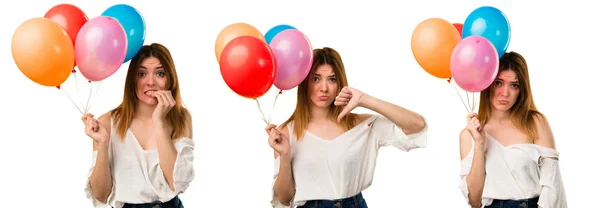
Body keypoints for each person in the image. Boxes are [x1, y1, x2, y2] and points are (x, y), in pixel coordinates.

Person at [267, 47, 428, 208]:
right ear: (304, 81)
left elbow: (417, 125)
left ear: (340, 83)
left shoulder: (362, 126)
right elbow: (284, 198)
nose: (324, 88)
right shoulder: (286, 132)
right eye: (316, 78)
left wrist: (364, 99)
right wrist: (285, 156)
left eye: (332, 79)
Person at [81, 43, 195, 208]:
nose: (150, 82)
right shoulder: (108, 122)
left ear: (170, 79)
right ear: (132, 79)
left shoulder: (181, 118)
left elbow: (176, 183)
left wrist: (159, 122)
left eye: (160, 73)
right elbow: (101, 195)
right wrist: (104, 143)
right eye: (142, 74)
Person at [458, 51, 567, 208]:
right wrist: (479, 144)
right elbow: (475, 201)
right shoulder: (468, 135)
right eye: (498, 83)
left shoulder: (535, 122)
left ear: (521, 90)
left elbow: (552, 185)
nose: (505, 93)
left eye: (514, 85)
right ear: (487, 83)